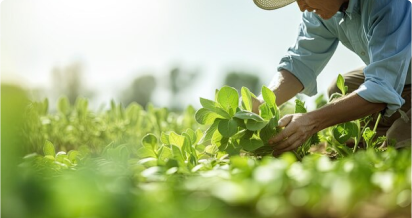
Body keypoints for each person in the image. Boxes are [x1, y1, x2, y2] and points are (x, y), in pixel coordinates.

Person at [251, 0, 412, 154]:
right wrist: (260, 105)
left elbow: (381, 88)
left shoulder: (388, 3)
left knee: (396, 144)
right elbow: (300, 62)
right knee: (341, 89)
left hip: (395, 80)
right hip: (402, 79)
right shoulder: (318, 10)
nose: (301, 6)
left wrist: (312, 121)